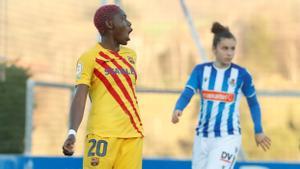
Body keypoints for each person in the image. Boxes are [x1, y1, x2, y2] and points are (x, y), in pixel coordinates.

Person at [171, 22, 271, 169]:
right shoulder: (200, 71)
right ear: (214, 49)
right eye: (225, 48)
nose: (229, 53)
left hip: (227, 138)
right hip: (202, 138)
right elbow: (188, 92)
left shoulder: (242, 74)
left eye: (232, 49)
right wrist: (178, 108)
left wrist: (258, 130)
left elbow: (253, 102)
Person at [62, 4, 143, 169]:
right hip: (101, 136)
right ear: (109, 24)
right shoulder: (89, 58)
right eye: (123, 19)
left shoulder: (131, 55)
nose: (130, 25)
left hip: (133, 135)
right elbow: (80, 95)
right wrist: (72, 132)